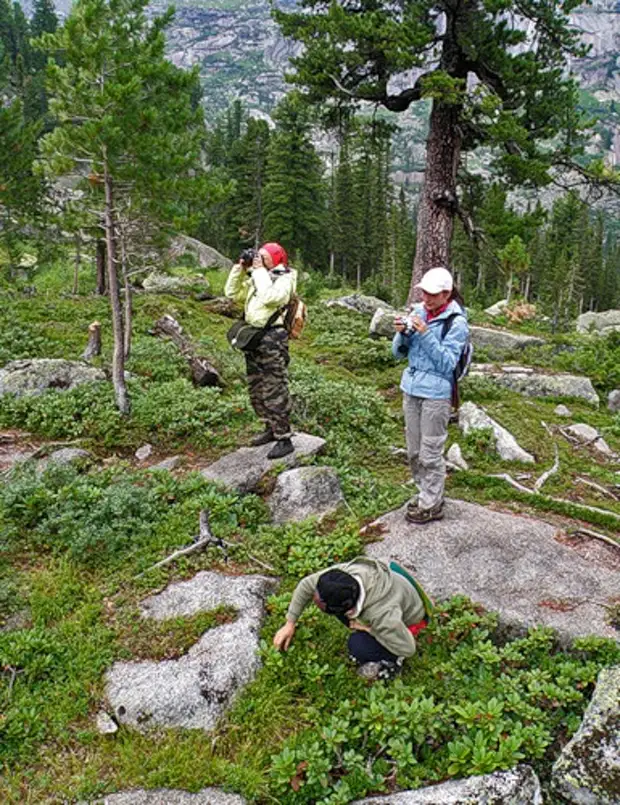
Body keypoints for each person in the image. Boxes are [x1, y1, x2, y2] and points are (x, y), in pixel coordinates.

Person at [392, 266, 469, 525]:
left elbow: (447, 363)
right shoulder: (418, 311)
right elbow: (399, 353)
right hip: (411, 388)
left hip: (437, 394)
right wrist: (402, 334)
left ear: (446, 294)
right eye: (424, 292)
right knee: (413, 451)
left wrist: (424, 332)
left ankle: (432, 502)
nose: (426, 298)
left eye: (432, 294)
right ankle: (425, 492)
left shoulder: (456, 323)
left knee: (430, 452)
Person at [273, 556, 430, 680]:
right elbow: (306, 585)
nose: (315, 600)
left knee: (358, 645)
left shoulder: (382, 615)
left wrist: (368, 629)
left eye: (321, 604)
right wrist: (290, 622)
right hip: (397, 590)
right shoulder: (342, 577)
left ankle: (392, 664)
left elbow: (408, 648)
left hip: (409, 621)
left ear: (348, 608)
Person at [225, 242, 297, 460]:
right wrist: (240, 268)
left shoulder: (284, 279)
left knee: (274, 387)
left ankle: (284, 438)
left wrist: (258, 272)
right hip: (254, 336)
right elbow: (231, 292)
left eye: (263, 257)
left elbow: (270, 298)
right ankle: (269, 427)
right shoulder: (259, 275)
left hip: (273, 338)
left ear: (275, 259)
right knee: (256, 385)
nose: (259, 260)